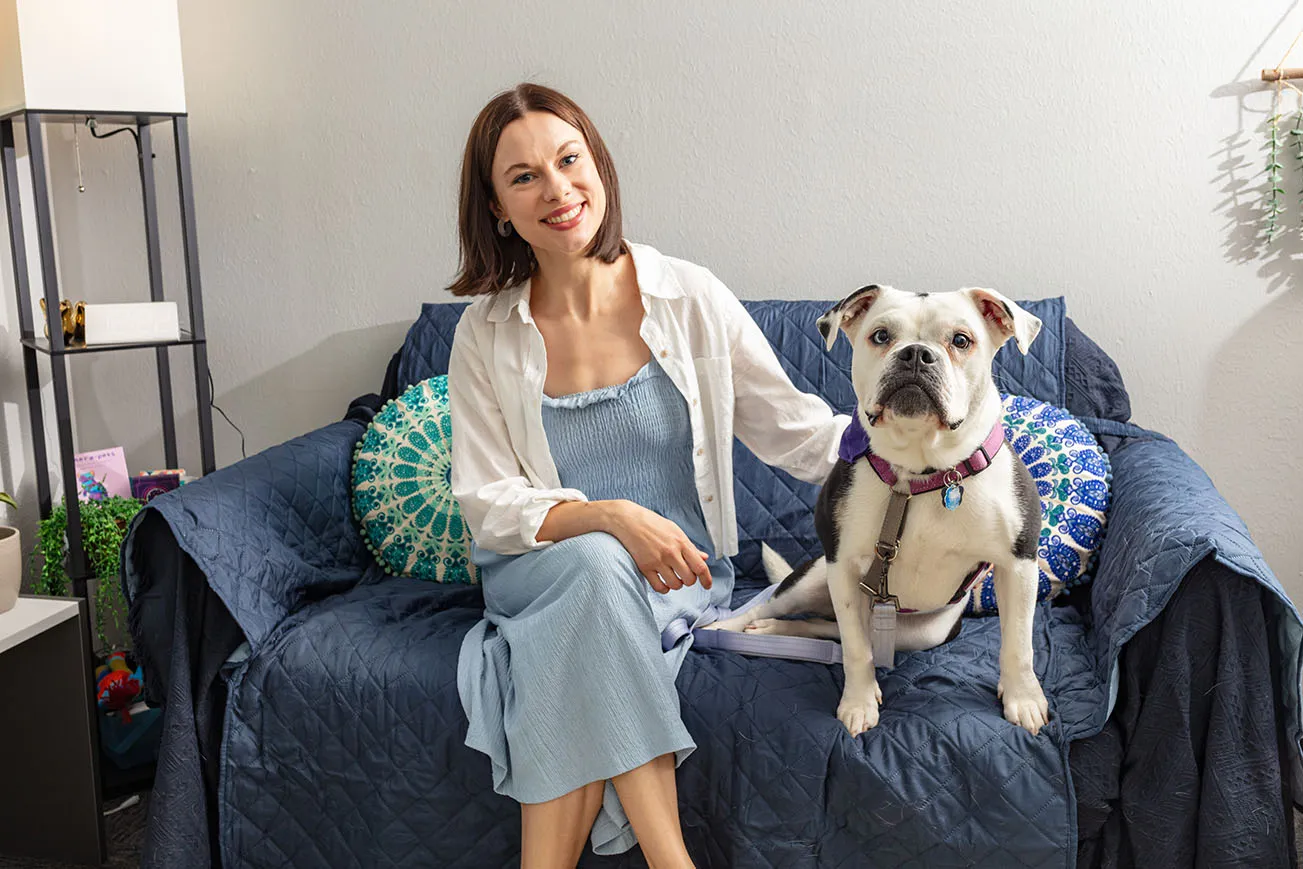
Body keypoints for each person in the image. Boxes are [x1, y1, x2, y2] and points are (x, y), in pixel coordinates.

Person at [448, 82, 849, 869]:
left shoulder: (689, 297)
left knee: (573, 652)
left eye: (570, 160)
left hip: (679, 577)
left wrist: (925, 456)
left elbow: (798, 435)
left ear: (598, 164)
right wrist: (607, 515)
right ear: (497, 206)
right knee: (597, 563)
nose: (557, 189)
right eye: (524, 176)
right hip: (537, 569)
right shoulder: (485, 331)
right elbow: (488, 503)